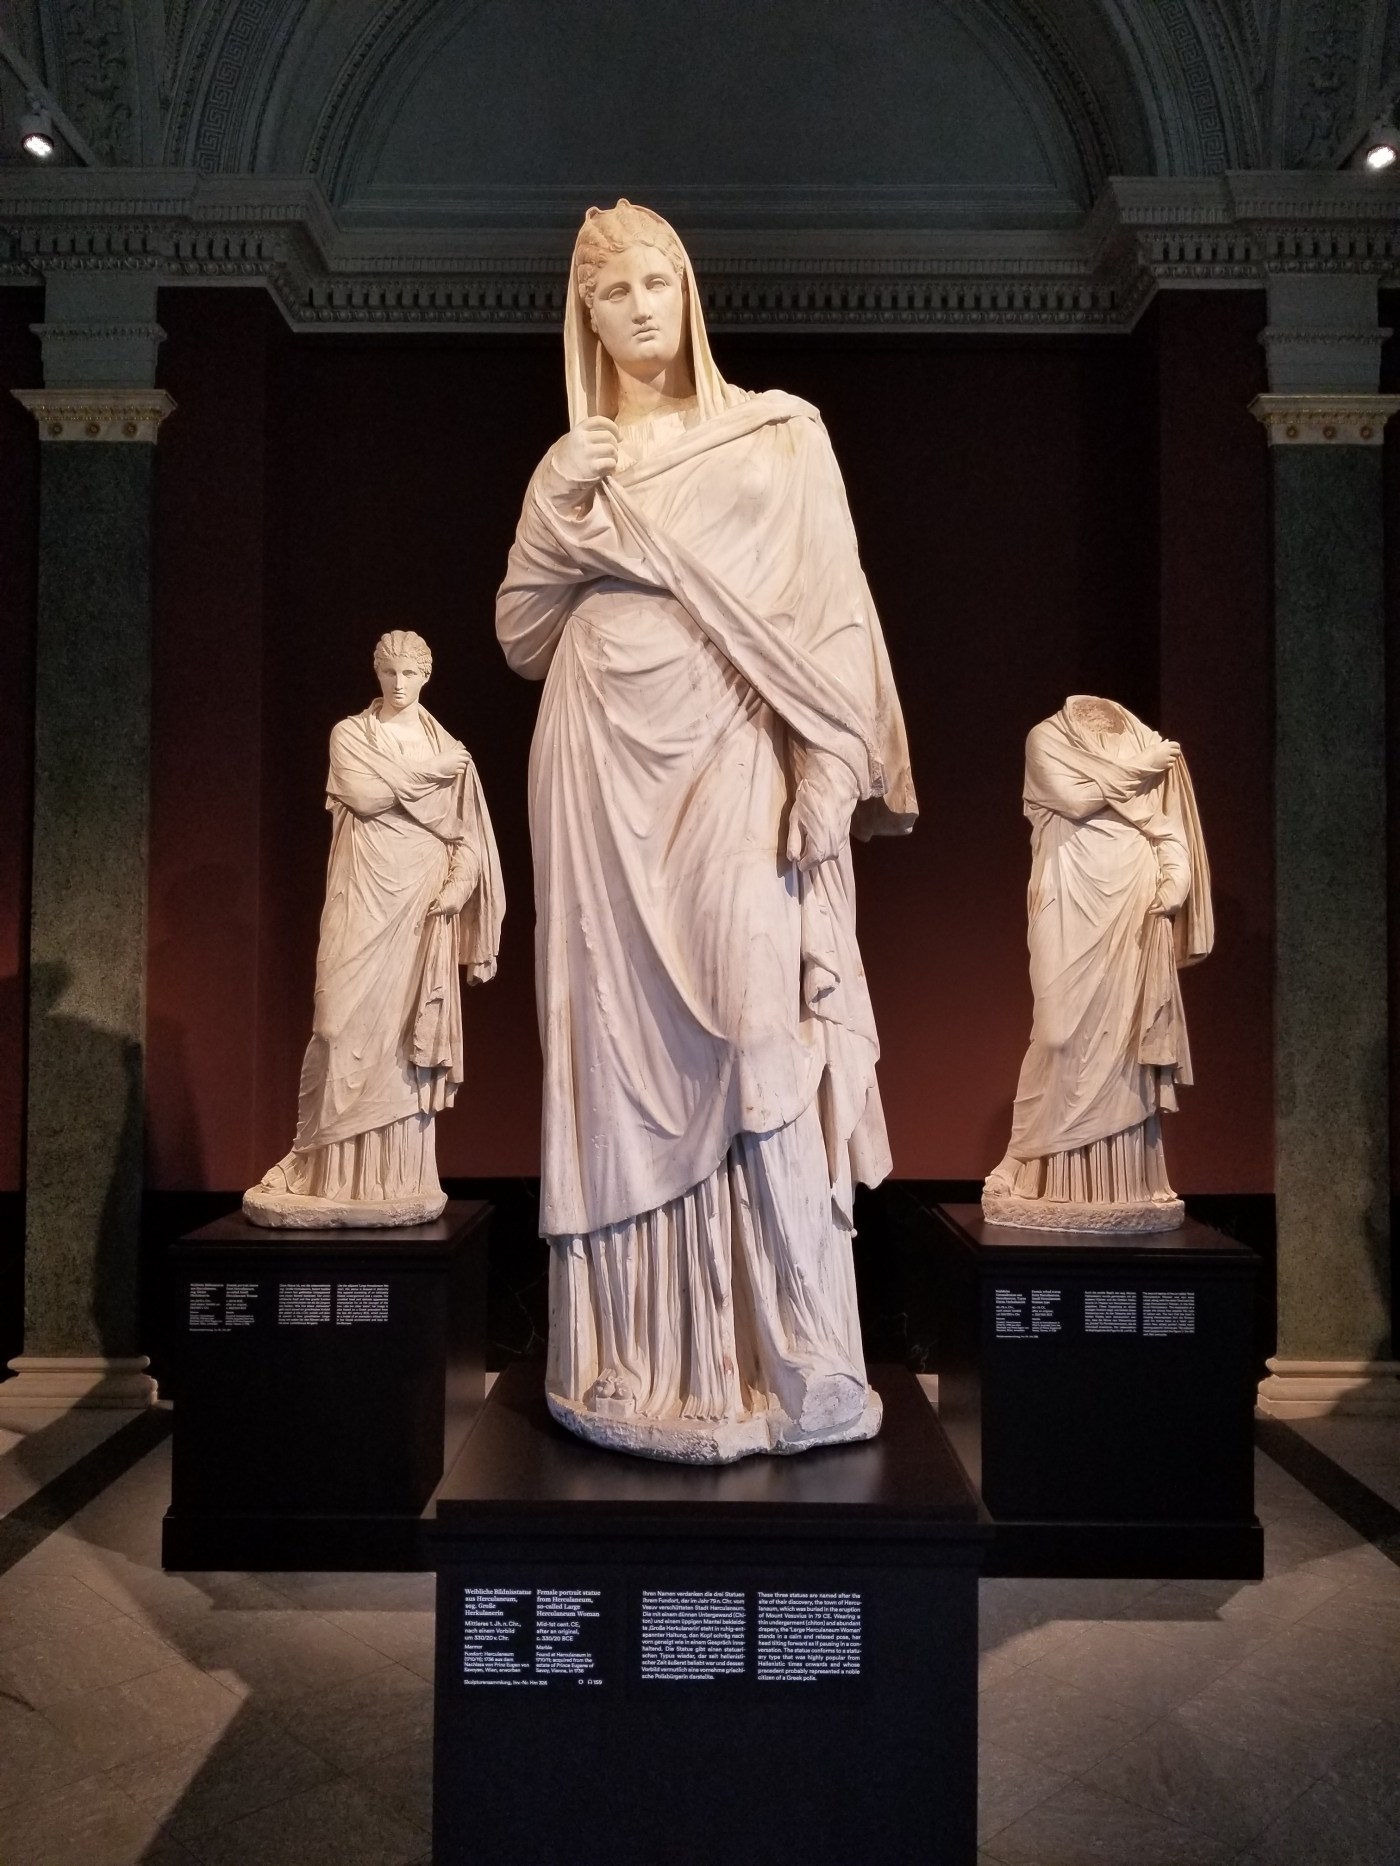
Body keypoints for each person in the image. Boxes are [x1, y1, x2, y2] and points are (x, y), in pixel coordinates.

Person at [497, 201, 916, 1460]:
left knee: (760, 1031)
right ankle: (631, 1357)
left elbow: (833, 614)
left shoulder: (780, 433)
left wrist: (825, 768)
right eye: (610, 293)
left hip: (733, 743)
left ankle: (803, 1363)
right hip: (594, 763)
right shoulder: (575, 461)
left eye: (656, 282)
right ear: (584, 320)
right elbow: (521, 634)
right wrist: (547, 518)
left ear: (689, 292)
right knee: (615, 1061)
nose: (637, 307)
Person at [245, 630, 503, 1227]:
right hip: (362, 897)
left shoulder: (453, 751)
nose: (397, 684)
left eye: (408, 674)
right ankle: (320, 1165)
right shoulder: (352, 734)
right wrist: (429, 772)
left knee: (404, 1046)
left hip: (421, 904)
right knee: (334, 1024)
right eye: (388, 672)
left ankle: (394, 1180)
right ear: (376, 674)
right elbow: (360, 796)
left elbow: (469, 840)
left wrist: (459, 886)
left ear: (426, 677)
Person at [983, 695, 1213, 1232]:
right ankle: (1035, 1165)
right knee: (1058, 1033)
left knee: (1126, 1043)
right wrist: (1143, 766)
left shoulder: (1142, 745)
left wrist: (1175, 880)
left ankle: (1127, 1184)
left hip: (1133, 905)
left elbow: (1167, 831)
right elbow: (1074, 798)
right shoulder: (1048, 739)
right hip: (1067, 898)